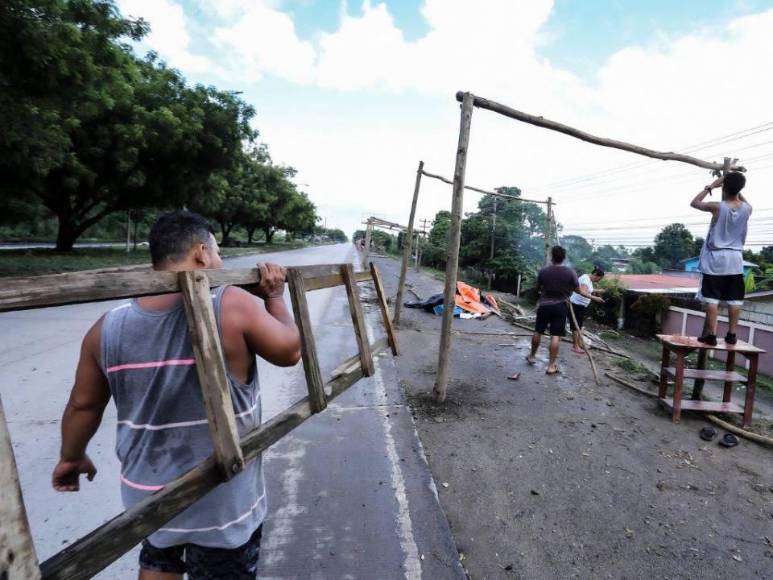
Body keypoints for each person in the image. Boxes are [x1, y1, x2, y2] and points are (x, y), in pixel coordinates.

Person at [51, 211, 302, 580]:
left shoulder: (107, 326)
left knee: (159, 557)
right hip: (220, 495)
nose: (220, 264)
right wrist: (275, 298)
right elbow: (290, 351)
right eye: (217, 255)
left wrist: (70, 458)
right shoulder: (229, 303)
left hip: (147, 494)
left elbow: (83, 404)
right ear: (201, 253)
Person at [690, 171, 751, 345]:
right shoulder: (748, 209)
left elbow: (694, 203)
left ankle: (711, 335)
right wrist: (732, 184)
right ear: (740, 189)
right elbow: (738, 195)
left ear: (724, 187)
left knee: (711, 298)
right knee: (735, 299)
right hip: (736, 258)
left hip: (716, 258)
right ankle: (732, 335)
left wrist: (710, 187)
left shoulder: (717, 207)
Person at [526, 246, 596, 375]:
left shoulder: (543, 271)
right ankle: (551, 366)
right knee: (555, 336)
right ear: (564, 258)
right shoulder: (570, 272)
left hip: (544, 305)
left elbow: (537, 288)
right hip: (560, 307)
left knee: (538, 331)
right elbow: (579, 290)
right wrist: (593, 297)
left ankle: (531, 356)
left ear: (552, 256)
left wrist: (543, 292)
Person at [569, 266, 606, 354]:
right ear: (595, 275)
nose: (598, 281)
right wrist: (595, 298)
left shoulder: (588, 279)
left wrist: (599, 291)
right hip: (577, 305)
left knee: (578, 326)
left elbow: (588, 290)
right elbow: (582, 292)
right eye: (598, 279)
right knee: (576, 327)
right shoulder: (585, 279)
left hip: (580, 306)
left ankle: (577, 344)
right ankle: (575, 346)